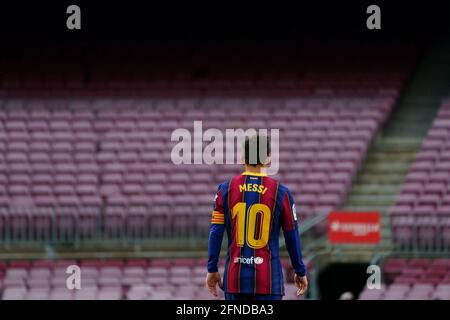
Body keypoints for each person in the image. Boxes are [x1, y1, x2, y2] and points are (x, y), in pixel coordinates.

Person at [205, 134, 308, 300]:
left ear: (242, 158)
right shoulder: (281, 193)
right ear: (268, 159)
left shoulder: (225, 189)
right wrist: (300, 271)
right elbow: (292, 236)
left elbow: (215, 232)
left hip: (234, 279)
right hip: (268, 280)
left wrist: (212, 269)